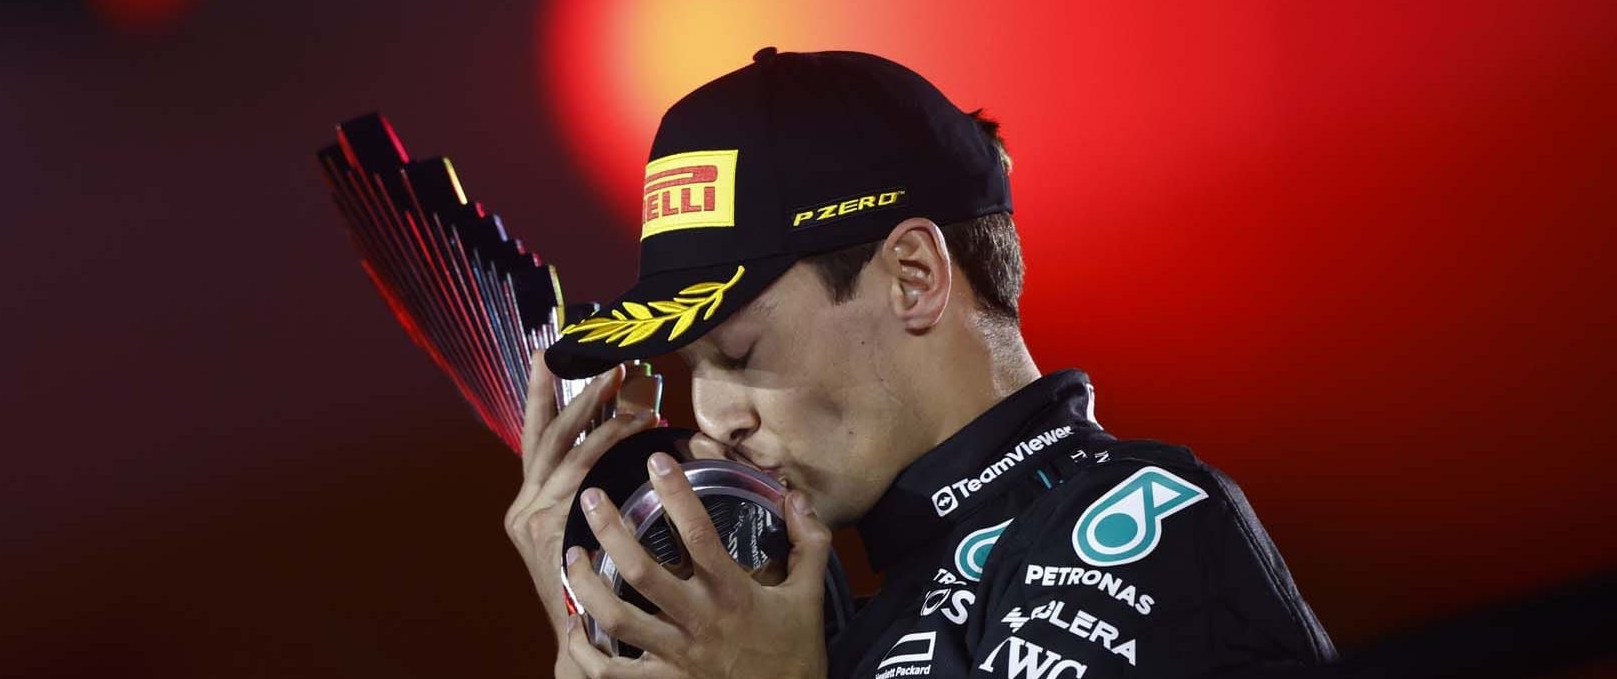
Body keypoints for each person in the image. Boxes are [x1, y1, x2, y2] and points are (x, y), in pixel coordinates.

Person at [505, 48, 1335, 679]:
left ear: (915, 278)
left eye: (738, 351)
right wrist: (597, 637)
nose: (716, 415)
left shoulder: (1144, 526)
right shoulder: (828, 616)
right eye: (692, 366)